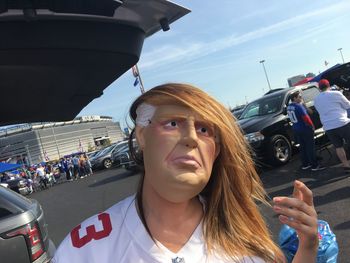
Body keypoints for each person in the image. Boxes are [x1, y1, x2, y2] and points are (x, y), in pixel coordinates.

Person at [53, 83, 318, 263]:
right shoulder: (87, 248)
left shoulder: (244, 237)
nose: (191, 138)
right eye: (172, 123)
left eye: (205, 130)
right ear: (142, 136)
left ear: (214, 152)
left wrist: (307, 248)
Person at [314, 79, 350, 171]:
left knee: (338, 146)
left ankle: (346, 165)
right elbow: (347, 105)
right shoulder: (336, 94)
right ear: (329, 86)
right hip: (342, 122)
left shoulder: (316, 99)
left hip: (328, 126)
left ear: (319, 88)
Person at [287, 91, 325, 171]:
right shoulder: (298, 106)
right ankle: (314, 165)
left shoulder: (289, 107)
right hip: (304, 128)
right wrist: (312, 126)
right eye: (299, 97)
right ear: (294, 98)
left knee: (303, 147)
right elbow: (306, 118)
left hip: (296, 128)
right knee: (310, 147)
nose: (301, 98)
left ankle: (305, 164)